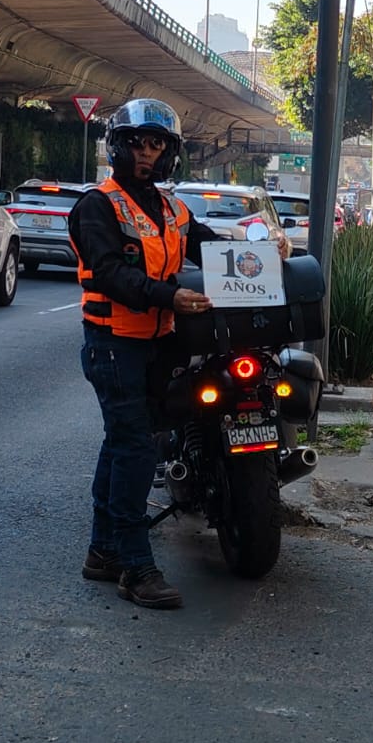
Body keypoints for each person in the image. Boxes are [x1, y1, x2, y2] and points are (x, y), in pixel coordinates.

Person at [68, 98, 289, 611]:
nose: (148, 154)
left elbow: (210, 245)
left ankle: (102, 551)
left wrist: (262, 242)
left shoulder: (170, 207)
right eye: (139, 144)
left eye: (158, 145)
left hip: (159, 343)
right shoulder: (97, 206)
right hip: (114, 343)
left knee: (128, 441)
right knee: (136, 449)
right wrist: (171, 296)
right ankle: (133, 565)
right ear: (119, 148)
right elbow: (109, 274)